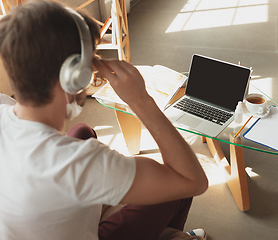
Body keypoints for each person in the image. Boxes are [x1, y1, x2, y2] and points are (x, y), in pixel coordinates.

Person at [0, 1, 208, 239]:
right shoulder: (79, 162)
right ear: (74, 77)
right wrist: (140, 100)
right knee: (178, 189)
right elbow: (193, 180)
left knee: (81, 132)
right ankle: (170, 235)